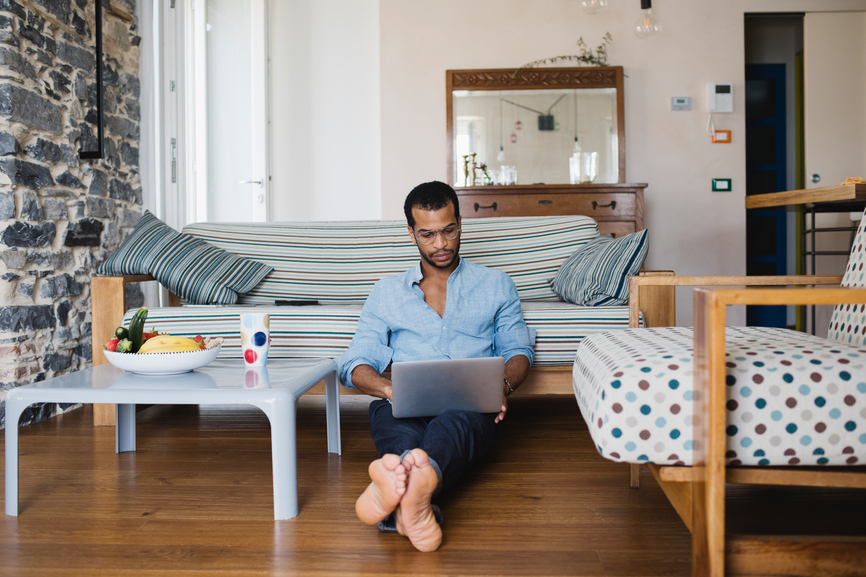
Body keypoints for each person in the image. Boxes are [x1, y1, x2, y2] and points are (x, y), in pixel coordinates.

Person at [336, 180, 534, 552]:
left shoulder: (497, 285)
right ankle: (416, 498)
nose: (440, 244)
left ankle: (395, 499)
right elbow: (355, 361)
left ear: (460, 223)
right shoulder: (386, 291)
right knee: (398, 430)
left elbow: (519, 351)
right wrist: (389, 389)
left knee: (452, 425)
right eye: (427, 234)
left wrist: (500, 388)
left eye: (448, 230)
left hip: (471, 407)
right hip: (401, 401)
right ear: (411, 233)